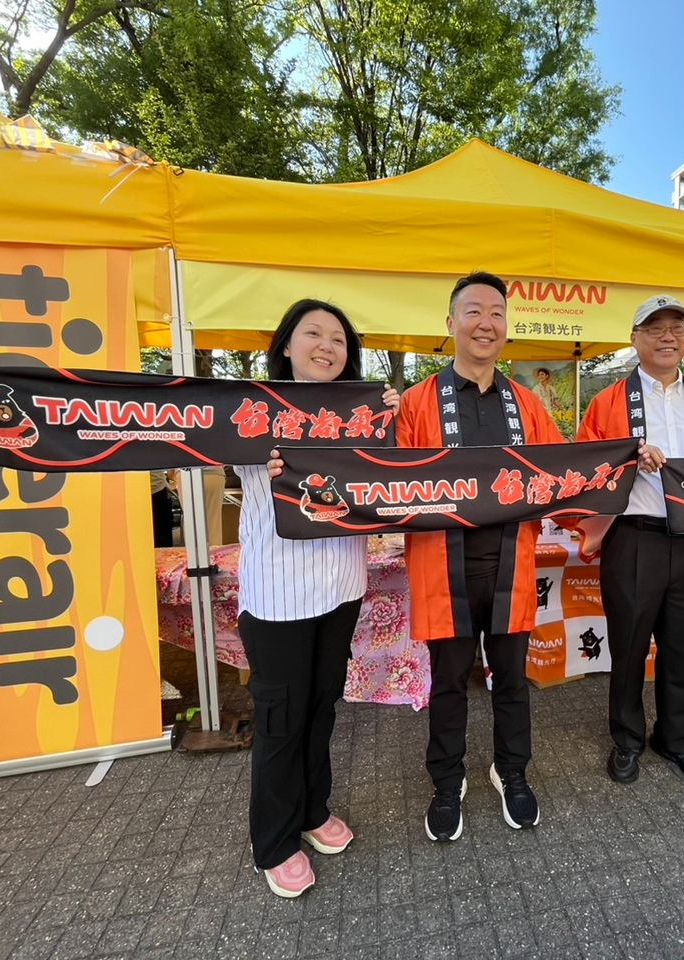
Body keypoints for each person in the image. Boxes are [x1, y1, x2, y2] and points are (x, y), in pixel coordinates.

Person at [236, 299, 399, 898]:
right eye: (313, 334)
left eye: (338, 339)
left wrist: (390, 420)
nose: (326, 346)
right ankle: (274, 842)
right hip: (278, 595)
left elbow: (388, 479)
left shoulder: (361, 416)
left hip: (340, 588)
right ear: (286, 345)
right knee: (281, 718)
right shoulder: (250, 411)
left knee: (322, 706)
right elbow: (222, 455)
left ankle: (311, 809)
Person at [397, 271, 563, 842]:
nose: (485, 323)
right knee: (447, 682)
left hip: (510, 562)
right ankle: (447, 782)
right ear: (451, 324)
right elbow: (388, 480)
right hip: (443, 567)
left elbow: (562, 471)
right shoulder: (417, 403)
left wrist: (627, 458)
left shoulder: (528, 405)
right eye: (473, 311)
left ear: (506, 327)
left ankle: (511, 771)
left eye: (496, 312)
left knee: (511, 679)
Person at [576, 295, 684, 787]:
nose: (668, 336)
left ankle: (676, 739)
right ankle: (627, 739)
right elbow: (585, 469)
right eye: (655, 328)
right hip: (633, 537)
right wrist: (628, 462)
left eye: (677, 328)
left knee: (683, 649)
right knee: (627, 648)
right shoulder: (607, 402)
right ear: (635, 339)